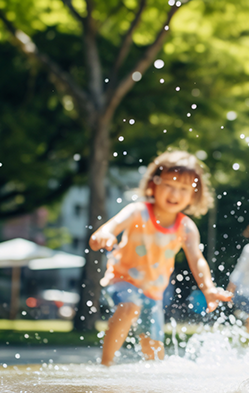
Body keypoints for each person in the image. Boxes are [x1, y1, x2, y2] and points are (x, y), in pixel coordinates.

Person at [90, 151, 232, 366]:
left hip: (154, 292)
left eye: (183, 189)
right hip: (122, 279)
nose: (175, 193)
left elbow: (197, 259)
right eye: (169, 185)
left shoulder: (186, 227)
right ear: (153, 184)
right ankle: (106, 366)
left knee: (155, 351)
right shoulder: (137, 212)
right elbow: (109, 228)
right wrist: (105, 234)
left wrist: (208, 288)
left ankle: (151, 383)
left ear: (194, 194)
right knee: (129, 308)